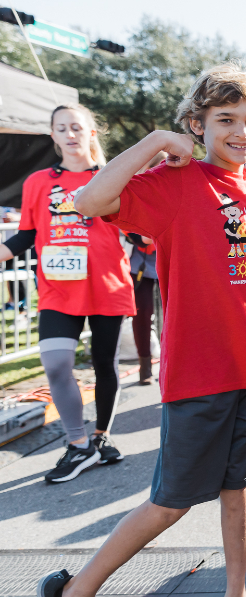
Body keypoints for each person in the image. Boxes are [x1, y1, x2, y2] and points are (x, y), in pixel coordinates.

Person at [39, 62, 246, 597]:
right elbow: (86, 198)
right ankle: (73, 596)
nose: (240, 132)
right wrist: (154, 143)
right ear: (195, 125)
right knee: (170, 501)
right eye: (224, 120)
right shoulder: (173, 184)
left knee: (238, 487)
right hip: (198, 375)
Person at [0, 104, 134, 483]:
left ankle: (101, 436)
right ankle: (79, 445)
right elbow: (26, 234)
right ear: (53, 136)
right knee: (57, 364)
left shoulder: (111, 177)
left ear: (92, 132)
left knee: (104, 365)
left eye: (77, 127)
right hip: (59, 290)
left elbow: (138, 230)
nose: (70, 134)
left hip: (106, 285)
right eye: (62, 128)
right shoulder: (38, 183)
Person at [127, 151, 166, 386]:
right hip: (143, 261)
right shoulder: (132, 192)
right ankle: (144, 366)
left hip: (174, 258)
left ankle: (173, 363)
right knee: (142, 313)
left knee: (174, 313)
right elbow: (141, 238)